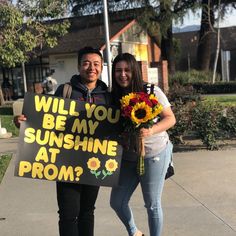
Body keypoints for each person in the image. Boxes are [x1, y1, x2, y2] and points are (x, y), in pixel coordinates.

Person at [14, 46, 111, 236]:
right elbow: (46, 119)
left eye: (96, 64)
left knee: (87, 212)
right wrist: (23, 123)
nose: (91, 67)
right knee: (68, 214)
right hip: (66, 162)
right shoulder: (65, 90)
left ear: (101, 67)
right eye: (86, 63)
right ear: (78, 66)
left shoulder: (107, 96)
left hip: (95, 162)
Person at [110, 53, 176, 236]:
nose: (122, 74)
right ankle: (135, 232)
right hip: (128, 157)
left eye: (127, 70)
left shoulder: (151, 91)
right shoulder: (113, 97)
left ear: (135, 71)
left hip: (155, 153)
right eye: (118, 70)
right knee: (117, 201)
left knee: (152, 204)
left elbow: (170, 119)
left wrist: (151, 130)